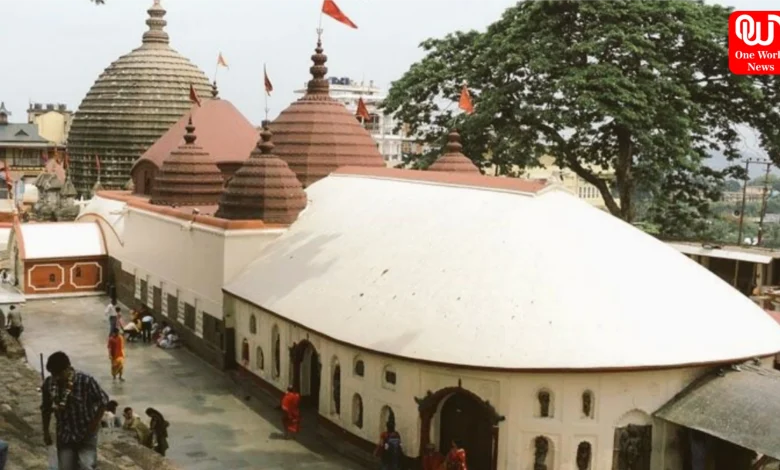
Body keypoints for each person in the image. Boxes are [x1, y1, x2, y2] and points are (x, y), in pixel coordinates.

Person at [41, 351, 109, 470]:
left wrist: (94, 423)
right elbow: (46, 409)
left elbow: (103, 400)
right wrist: (46, 432)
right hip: (64, 433)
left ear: (68, 369)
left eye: (59, 374)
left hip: (85, 432)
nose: (56, 377)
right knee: (66, 466)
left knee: (86, 465)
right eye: (53, 374)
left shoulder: (86, 381)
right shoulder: (49, 383)